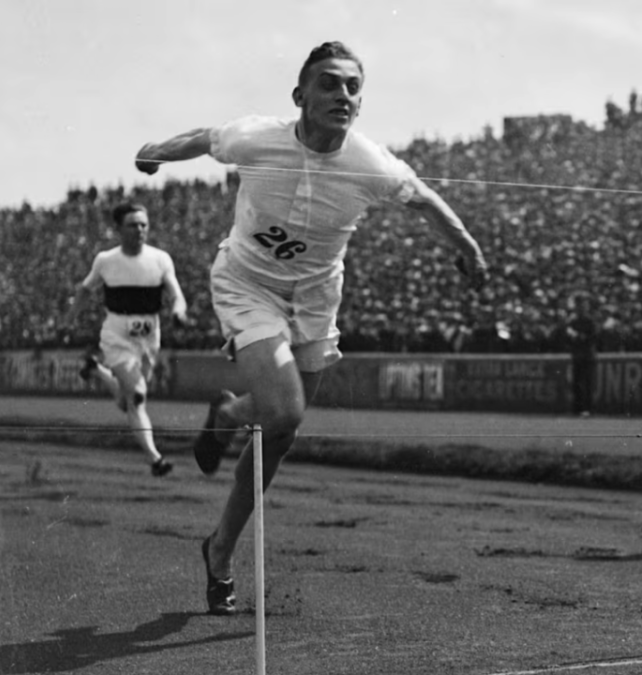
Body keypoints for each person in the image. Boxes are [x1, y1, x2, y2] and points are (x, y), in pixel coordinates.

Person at [133, 41, 488, 616]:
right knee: (284, 409)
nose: (342, 96)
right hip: (248, 284)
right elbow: (204, 138)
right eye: (328, 84)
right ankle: (230, 416)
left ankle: (219, 548)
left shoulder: (370, 163)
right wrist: (154, 152)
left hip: (317, 300)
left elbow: (421, 199)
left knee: (279, 435)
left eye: (352, 87)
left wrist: (468, 248)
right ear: (299, 96)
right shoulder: (257, 138)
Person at [66, 202, 188, 477]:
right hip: (117, 335)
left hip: (149, 337)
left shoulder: (160, 259)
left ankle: (96, 370)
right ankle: (155, 459)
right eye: (133, 225)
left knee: (128, 402)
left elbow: (176, 293)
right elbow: (85, 288)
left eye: (144, 224)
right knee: (137, 396)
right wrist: (71, 316)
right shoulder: (106, 260)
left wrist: (178, 310)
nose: (140, 230)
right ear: (118, 229)